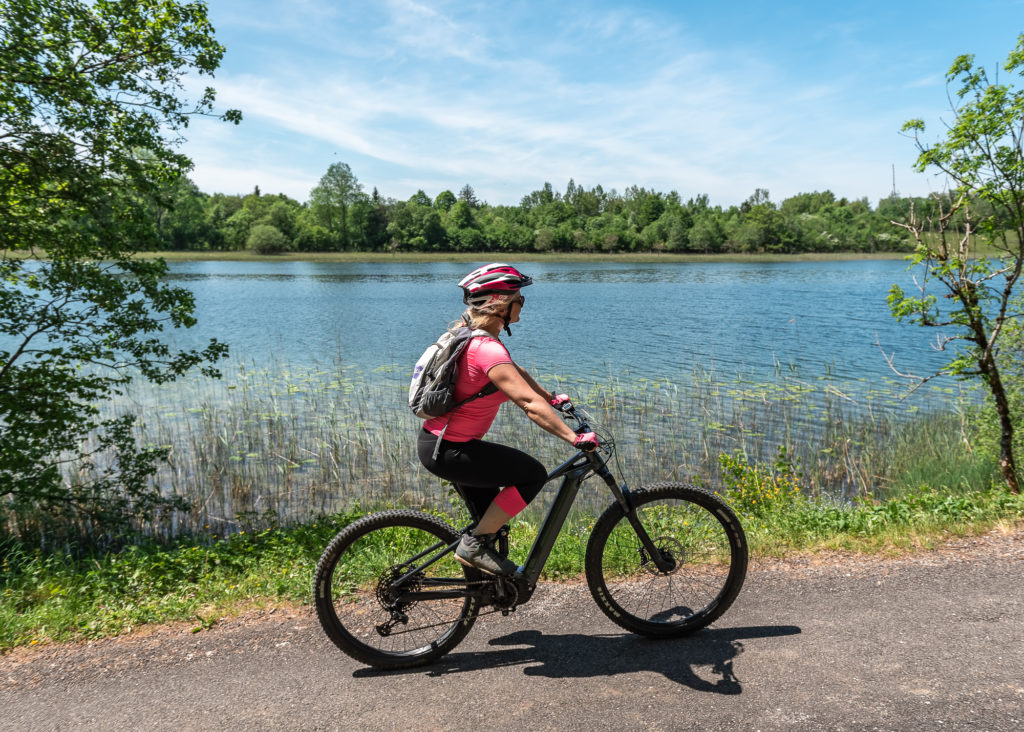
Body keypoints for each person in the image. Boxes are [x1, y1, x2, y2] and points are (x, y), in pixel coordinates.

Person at [417, 263, 598, 575]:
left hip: (443, 444)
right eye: (519, 299)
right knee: (532, 475)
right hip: (450, 451)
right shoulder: (486, 350)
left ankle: (484, 583)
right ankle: (472, 547)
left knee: (490, 524)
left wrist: (552, 397)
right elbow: (527, 403)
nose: (522, 305)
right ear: (499, 303)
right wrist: (574, 438)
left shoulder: (473, 337)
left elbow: (517, 374)